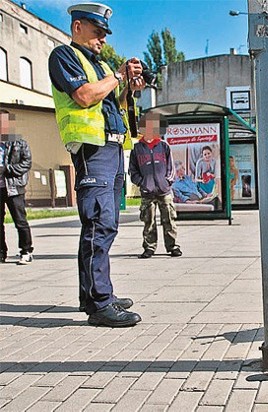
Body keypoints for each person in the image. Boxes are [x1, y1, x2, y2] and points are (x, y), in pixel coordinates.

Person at [48, 2, 144, 327]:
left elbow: (111, 105)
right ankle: (100, 305)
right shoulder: (63, 56)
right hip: (93, 151)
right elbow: (85, 96)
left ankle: (94, 294)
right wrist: (117, 76)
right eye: (97, 31)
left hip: (113, 149)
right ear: (78, 27)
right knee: (98, 225)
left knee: (107, 225)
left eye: (105, 33)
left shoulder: (100, 65)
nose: (102, 38)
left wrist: (129, 89)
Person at [128, 113, 181, 259]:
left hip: (164, 190)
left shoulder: (164, 146)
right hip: (147, 191)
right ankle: (149, 247)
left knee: (169, 219)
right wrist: (142, 182)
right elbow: (132, 170)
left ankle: (173, 246)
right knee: (148, 220)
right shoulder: (137, 148)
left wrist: (167, 181)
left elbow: (171, 167)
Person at [0, 109, 34, 265]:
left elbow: (26, 164)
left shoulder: (19, 143)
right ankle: (1, 252)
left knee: (20, 221)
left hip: (14, 188)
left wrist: (7, 169)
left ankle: (26, 251)